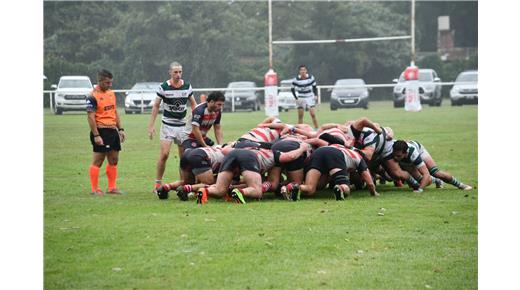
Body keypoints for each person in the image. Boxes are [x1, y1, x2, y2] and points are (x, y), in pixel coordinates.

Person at [148, 62, 197, 192]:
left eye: (180, 72)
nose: (178, 74)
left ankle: (183, 184)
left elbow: (194, 105)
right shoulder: (163, 87)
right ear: (170, 72)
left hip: (182, 127)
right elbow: (156, 106)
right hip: (167, 126)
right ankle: (158, 183)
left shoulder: (187, 86)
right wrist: (151, 125)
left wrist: (195, 122)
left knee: (183, 158)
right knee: (164, 154)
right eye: (175, 72)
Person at [86, 69, 126, 195]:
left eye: (111, 82)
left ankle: (112, 188)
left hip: (112, 131)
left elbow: (114, 112)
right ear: (100, 81)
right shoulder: (92, 95)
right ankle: (94, 189)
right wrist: (96, 135)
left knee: (114, 159)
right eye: (107, 83)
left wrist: (120, 129)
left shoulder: (111, 93)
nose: (110, 85)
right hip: (101, 131)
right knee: (98, 161)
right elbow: (90, 117)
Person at [392, 140, 472, 191]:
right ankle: (437, 180)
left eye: (398, 156)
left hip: (420, 151)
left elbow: (426, 174)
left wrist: (419, 190)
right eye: (394, 155)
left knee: (435, 172)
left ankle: (461, 185)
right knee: (422, 180)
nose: (395, 158)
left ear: (405, 153)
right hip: (406, 158)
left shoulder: (413, 154)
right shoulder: (393, 150)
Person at [291, 65, 319, 129]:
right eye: (301, 70)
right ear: (299, 71)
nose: (303, 71)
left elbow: (314, 87)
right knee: (300, 116)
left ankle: (317, 129)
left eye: (304, 70)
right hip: (301, 97)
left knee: (313, 114)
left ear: (306, 71)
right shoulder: (296, 79)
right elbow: (292, 89)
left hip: (309, 96)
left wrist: (315, 95)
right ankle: (299, 131)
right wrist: (296, 98)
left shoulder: (311, 77)